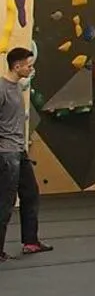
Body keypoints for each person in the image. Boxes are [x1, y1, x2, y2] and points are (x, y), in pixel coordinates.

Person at [0, 47, 52, 261]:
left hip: (19, 152)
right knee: (5, 202)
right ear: (17, 66)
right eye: (28, 66)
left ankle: (30, 242)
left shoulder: (16, 87)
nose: (31, 69)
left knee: (30, 194)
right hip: (6, 154)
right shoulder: (2, 89)